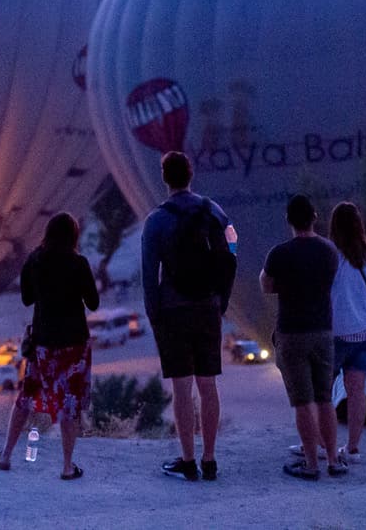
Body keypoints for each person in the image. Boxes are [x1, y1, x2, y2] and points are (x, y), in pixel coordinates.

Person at [141, 150, 239, 483]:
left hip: (172, 310)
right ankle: (210, 459)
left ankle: (187, 460)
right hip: (208, 307)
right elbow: (232, 251)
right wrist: (221, 299)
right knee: (208, 385)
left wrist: (155, 315)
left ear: (164, 178)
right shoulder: (214, 211)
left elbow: (148, 274)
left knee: (182, 389)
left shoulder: (156, 221)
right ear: (191, 173)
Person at [0, 212, 98, 479]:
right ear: (73, 236)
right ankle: (66, 466)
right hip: (74, 343)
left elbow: (27, 299)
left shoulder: (34, 261)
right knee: (69, 402)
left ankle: (5, 456)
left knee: (26, 397)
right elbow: (94, 303)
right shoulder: (78, 263)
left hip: (43, 343)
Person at [261, 194, 341, 480]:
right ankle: (333, 459)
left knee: (302, 402)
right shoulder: (330, 251)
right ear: (315, 217)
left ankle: (311, 463)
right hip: (323, 330)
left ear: (288, 221)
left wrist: (289, 283)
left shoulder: (280, 253)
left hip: (292, 331)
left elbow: (266, 285)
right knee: (324, 399)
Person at [328, 201, 366, 464]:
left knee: (322, 393)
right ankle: (352, 447)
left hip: (336, 336)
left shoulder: (332, 257)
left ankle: (323, 445)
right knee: (356, 391)